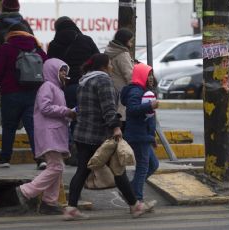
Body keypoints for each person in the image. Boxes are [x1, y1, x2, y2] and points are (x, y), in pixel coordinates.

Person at [63, 54, 153, 221]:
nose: (112, 67)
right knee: (119, 170)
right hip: (99, 135)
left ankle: (71, 208)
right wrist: (116, 127)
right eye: (110, 64)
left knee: (82, 171)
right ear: (104, 66)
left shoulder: (84, 81)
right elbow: (108, 109)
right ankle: (135, 206)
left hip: (82, 133)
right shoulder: (103, 80)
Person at [16, 58, 76, 215]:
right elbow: (45, 107)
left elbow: (57, 110)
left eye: (65, 71)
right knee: (57, 167)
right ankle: (26, 191)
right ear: (52, 71)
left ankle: (49, 202)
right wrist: (66, 111)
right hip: (49, 133)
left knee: (56, 168)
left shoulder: (57, 89)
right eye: (61, 70)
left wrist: (69, 114)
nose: (64, 74)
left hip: (55, 133)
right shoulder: (47, 86)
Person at [0, 23, 47, 169]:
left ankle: (5, 159)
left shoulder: (6, 48)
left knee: (9, 127)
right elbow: (46, 67)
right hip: (33, 94)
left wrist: (4, 82)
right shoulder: (38, 48)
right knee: (32, 127)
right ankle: (40, 159)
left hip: (10, 94)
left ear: (10, 33)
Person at [47, 16, 100, 166]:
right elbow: (97, 60)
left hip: (65, 88)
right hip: (86, 86)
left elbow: (49, 65)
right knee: (85, 119)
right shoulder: (86, 40)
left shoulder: (54, 44)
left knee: (67, 119)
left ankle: (68, 151)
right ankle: (83, 153)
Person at [121, 63, 159, 205]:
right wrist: (150, 106)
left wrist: (152, 137)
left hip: (145, 135)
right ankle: (137, 198)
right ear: (140, 75)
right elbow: (132, 110)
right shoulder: (136, 91)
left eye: (151, 74)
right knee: (143, 166)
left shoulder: (143, 90)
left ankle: (129, 190)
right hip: (138, 135)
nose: (150, 78)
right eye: (147, 74)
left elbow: (149, 118)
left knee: (153, 165)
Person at [104, 28, 134, 131]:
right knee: (123, 126)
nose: (131, 44)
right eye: (130, 41)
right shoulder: (122, 54)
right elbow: (130, 76)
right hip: (123, 94)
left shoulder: (108, 51)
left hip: (112, 90)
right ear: (125, 40)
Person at [0, 0, 33, 66]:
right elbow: (34, 46)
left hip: (4, 68)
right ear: (18, 9)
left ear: (3, 9)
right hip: (25, 69)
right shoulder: (24, 24)